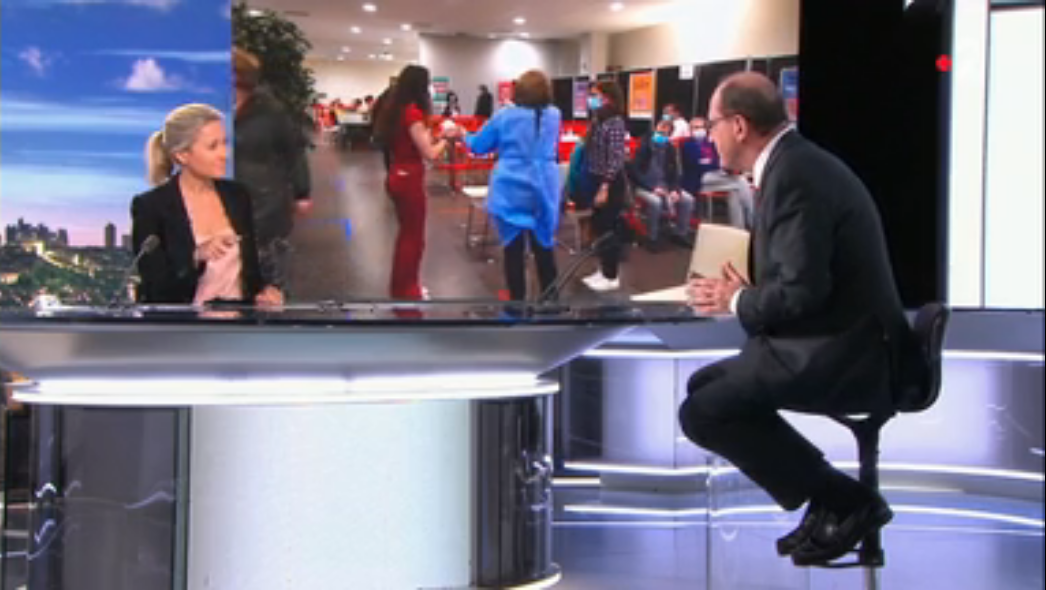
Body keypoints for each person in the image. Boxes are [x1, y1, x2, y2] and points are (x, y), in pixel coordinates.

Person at [679, 72, 914, 565]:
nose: (709, 136)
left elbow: (802, 294)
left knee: (705, 411)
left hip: (848, 354)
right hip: (841, 338)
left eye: (712, 124)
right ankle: (826, 500)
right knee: (705, 387)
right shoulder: (796, 164)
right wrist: (745, 289)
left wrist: (737, 301)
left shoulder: (795, 176)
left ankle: (847, 501)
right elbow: (802, 275)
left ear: (739, 125)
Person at [132, 104, 283, 306]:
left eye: (224, 143)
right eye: (213, 146)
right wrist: (195, 256)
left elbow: (250, 272)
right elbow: (156, 289)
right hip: (186, 323)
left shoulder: (237, 196)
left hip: (239, 320)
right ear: (182, 155)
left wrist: (264, 293)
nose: (224, 154)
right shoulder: (151, 207)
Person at [452, 70, 561, 302]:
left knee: (513, 250)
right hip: (545, 188)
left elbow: (479, 146)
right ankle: (551, 302)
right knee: (544, 248)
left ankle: (517, 304)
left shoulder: (505, 116)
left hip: (511, 189)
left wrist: (463, 134)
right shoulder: (555, 115)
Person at [233, 47, 311, 299]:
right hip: (224, 201)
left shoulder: (270, 111)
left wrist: (302, 191)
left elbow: (294, 150)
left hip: (265, 202)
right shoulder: (210, 109)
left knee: (269, 275)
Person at [374, 64, 453, 300]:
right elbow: (430, 153)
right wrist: (446, 139)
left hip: (397, 174)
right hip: (409, 179)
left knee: (406, 236)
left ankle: (402, 286)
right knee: (413, 239)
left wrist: (434, 138)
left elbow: (415, 143)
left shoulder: (396, 110)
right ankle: (408, 290)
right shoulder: (413, 113)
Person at [579, 80, 629, 293]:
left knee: (609, 229)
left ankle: (611, 275)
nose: (592, 99)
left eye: (596, 95)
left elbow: (616, 158)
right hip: (595, 178)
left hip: (609, 183)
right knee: (599, 227)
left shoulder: (615, 122)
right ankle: (602, 269)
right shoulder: (598, 119)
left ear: (608, 97)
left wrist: (605, 186)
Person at [629, 119, 695, 249]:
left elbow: (675, 174)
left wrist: (675, 189)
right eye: (660, 131)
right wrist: (652, 188)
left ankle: (680, 234)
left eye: (665, 133)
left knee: (688, 200)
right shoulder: (644, 145)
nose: (661, 135)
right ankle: (651, 237)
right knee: (656, 202)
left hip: (665, 185)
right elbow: (634, 172)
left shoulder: (670, 149)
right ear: (655, 129)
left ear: (669, 135)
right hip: (643, 186)